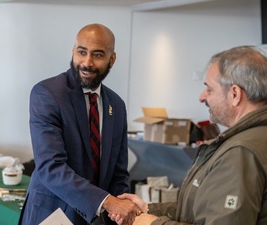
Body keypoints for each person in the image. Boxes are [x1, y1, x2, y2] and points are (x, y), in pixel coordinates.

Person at [109, 45, 267, 225]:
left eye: (209, 89)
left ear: (235, 94)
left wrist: (153, 223)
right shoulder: (253, 139)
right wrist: (149, 209)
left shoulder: (241, 152)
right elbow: (205, 207)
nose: (202, 97)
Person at [19, 23, 140, 225]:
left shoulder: (116, 105)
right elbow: (51, 167)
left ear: (112, 59)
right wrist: (108, 202)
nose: (87, 62)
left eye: (98, 55)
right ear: (73, 51)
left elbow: (119, 173)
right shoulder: (47, 94)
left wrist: (122, 205)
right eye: (81, 52)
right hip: (52, 216)